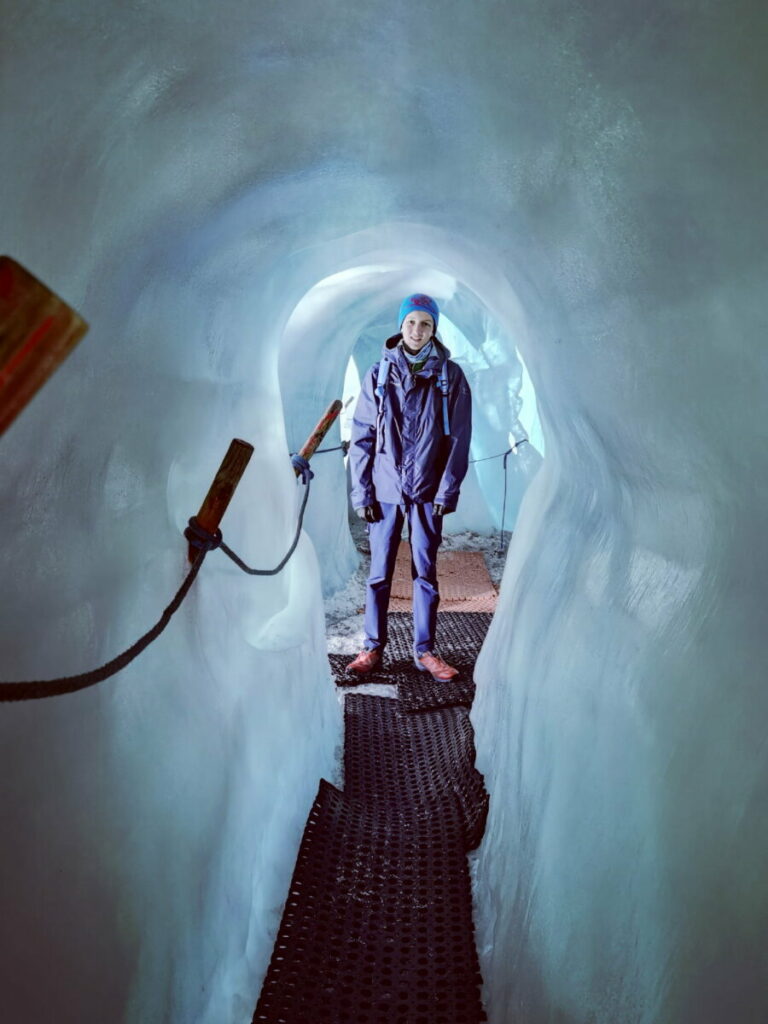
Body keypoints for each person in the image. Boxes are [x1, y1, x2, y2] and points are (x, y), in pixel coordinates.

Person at [346, 293, 472, 681]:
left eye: (426, 324)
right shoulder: (378, 374)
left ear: (435, 329)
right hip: (385, 492)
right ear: (401, 325)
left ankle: (424, 650)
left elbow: (459, 440)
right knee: (379, 573)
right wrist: (362, 491)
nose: (418, 330)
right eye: (412, 322)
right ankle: (372, 649)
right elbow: (363, 435)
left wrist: (447, 490)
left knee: (425, 573)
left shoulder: (450, 377)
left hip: (427, 492)